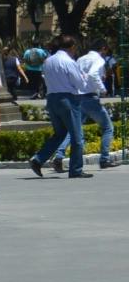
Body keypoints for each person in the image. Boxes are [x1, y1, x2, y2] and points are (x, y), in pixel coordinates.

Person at [29, 35, 89, 180]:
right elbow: (80, 84)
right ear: (71, 47)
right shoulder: (68, 61)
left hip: (52, 99)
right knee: (77, 137)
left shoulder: (48, 61)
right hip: (67, 99)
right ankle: (75, 169)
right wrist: (84, 78)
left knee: (60, 133)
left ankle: (38, 159)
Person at [74, 37, 117, 168]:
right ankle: (104, 159)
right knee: (108, 128)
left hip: (78, 97)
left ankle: (59, 156)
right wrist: (103, 89)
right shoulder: (99, 59)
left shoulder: (80, 59)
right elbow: (93, 74)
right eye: (105, 50)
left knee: (75, 129)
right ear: (103, 48)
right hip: (90, 98)